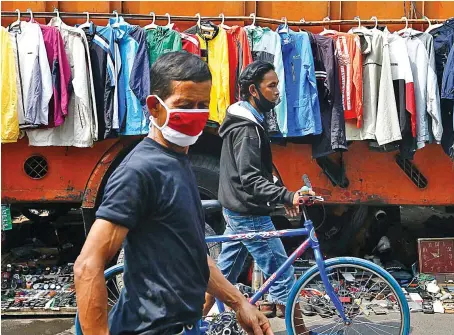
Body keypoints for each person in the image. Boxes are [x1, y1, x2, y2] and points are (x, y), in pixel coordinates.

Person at [74, 52, 273, 335]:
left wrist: (240, 302)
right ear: (154, 107)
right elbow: (87, 265)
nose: (194, 113)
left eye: (202, 105)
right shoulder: (139, 171)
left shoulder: (178, 162)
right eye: (184, 104)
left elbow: (192, 254)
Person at [210, 60, 311, 322]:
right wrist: (288, 196)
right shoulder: (247, 129)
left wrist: (281, 195)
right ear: (254, 91)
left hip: (237, 207)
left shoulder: (249, 120)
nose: (278, 91)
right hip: (248, 212)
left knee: (221, 278)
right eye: (272, 85)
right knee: (283, 275)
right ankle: (298, 330)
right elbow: (251, 179)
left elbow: (259, 172)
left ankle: (197, 323)